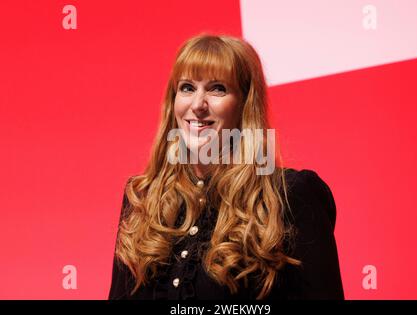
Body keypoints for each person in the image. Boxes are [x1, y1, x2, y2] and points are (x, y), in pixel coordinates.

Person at [108, 34, 344, 300]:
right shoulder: (142, 197)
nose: (197, 105)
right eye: (186, 87)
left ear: (244, 104)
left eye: (217, 88)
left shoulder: (290, 195)